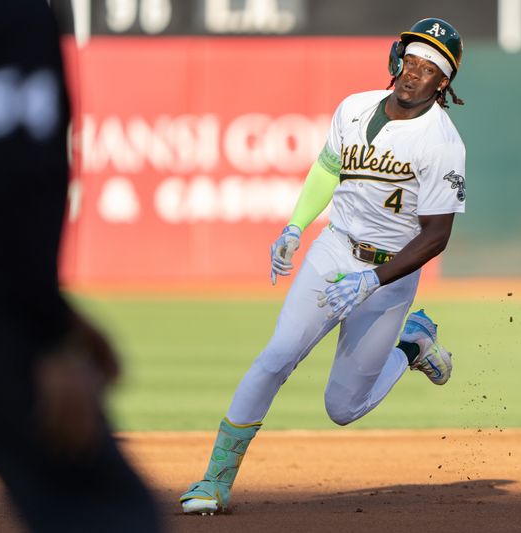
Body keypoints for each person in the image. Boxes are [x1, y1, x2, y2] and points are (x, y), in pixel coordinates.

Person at [179, 17, 467, 515]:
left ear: (443, 83)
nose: (413, 73)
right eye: (411, 60)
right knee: (276, 356)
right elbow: (329, 168)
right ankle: (214, 482)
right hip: (334, 251)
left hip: (389, 275)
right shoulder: (354, 108)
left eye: (428, 68)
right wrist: (294, 226)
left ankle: (412, 343)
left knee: (343, 408)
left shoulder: (442, 143)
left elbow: (437, 235)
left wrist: (372, 281)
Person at [0, 0, 160, 531]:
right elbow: (13, 179)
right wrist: (47, 334)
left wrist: (61, 315)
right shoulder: (7, 15)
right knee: (105, 510)